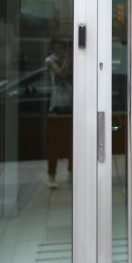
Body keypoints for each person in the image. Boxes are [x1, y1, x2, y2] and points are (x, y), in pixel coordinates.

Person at [45, 37, 73, 188]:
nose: (62, 49)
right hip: (58, 104)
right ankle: (51, 175)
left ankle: (72, 172)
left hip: (72, 102)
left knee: (72, 140)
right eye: (60, 46)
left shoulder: (74, 58)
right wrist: (68, 58)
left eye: (65, 46)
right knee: (55, 143)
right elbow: (62, 73)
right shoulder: (50, 60)